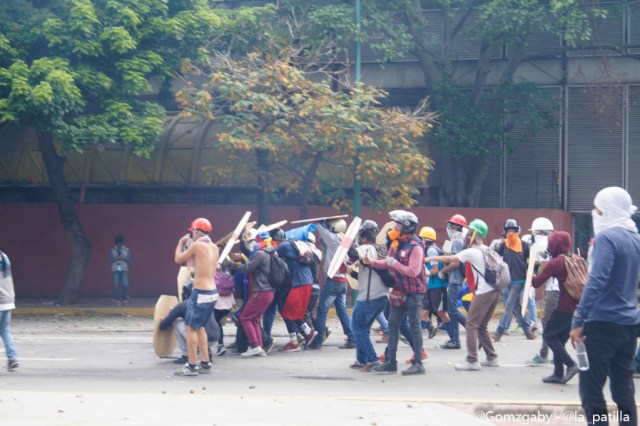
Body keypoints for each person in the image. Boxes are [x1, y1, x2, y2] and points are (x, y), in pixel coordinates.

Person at [570, 186, 640, 426]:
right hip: (629, 324)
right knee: (623, 389)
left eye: (598, 209)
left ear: (608, 210)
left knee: (591, 390)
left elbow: (597, 280)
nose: (595, 213)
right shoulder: (634, 237)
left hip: (600, 324)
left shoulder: (606, 238)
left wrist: (578, 319)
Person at [427, 219, 501, 371]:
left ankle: (472, 360)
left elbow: (451, 259)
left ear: (474, 234)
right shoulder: (487, 249)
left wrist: (431, 258)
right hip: (495, 290)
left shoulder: (472, 251)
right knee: (482, 326)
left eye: (469, 232)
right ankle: (492, 357)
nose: (466, 235)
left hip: (484, 291)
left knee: (471, 325)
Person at [366, 210, 427, 376]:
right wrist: (371, 263)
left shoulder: (416, 247)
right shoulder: (397, 243)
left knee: (414, 326)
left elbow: (413, 271)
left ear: (407, 227)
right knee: (393, 325)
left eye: (398, 225)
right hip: (399, 290)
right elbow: (387, 263)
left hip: (414, 292)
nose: (395, 227)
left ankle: (418, 363)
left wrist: (394, 263)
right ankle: (390, 362)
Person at [530, 231, 579, 384]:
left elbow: (537, 283)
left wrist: (530, 270)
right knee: (559, 340)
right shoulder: (575, 258)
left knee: (549, 335)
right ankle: (558, 374)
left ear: (555, 245)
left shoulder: (557, 263)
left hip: (565, 307)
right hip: (578, 306)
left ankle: (570, 365)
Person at [174, 217, 219, 376]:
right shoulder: (214, 247)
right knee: (200, 327)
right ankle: (205, 362)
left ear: (195, 231)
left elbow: (178, 259)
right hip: (212, 292)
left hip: (201, 292)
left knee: (190, 328)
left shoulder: (196, 246)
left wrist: (180, 242)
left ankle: (192, 365)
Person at [346, 220, 389, 371]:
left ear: (364, 237)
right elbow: (370, 275)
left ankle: (372, 359)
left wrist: (345, 240)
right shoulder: (380, 250)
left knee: (356, 327)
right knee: (362, 328)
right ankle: (361, 359)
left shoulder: (367, 248)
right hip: (381, 296)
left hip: (369, 297)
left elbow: (353, 252)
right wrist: (352, 272)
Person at [225, 231, 275, 357]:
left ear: (258, 241)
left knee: (244, 318)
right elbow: (249, 254)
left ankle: (254, 345)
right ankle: (259, 347)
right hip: (268, 292)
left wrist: (230, 264)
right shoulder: (270, 252)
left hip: (260, 292)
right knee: (255, 320)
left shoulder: (260, 254)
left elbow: (246, 268)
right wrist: (242, 241)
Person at [309, 218, 355, 350]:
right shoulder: (346, 240)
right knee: (342, 311)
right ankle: (352, 338)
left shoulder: (334, 240)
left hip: (333, 281)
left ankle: (317, 341)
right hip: (342, 281)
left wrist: (322, 221)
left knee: (322, 310)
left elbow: (321, 228)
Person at [491, 219, 537, 341]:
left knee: (509, 305)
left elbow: (533, 261)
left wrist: (532, 275)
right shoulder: (502, 245)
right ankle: (528, 331)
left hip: (519, 281)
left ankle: (499, 331)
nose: (510, 232)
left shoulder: (524, 245)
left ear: (517, 231)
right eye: (508, 230)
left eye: (513, 230)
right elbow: (494, 257)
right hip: (507, 280)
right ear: (505, 232)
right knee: (516, 308)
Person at [526, 217, 559, 367]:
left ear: (538, 232)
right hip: (557, 287)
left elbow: (546, 267)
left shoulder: (542, 244)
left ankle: (545, 354)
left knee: (547, 321)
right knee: (555, 322)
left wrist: (537, 280)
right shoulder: (552, 242)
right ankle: (555, 353)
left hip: (554, 288)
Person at [158, 296, 221, 365]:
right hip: (215, 337)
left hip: (200, 339)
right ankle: (205, 351)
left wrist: (164, 319)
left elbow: (163, 326)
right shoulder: (206, 303)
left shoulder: (182, 305)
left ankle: (186, 355)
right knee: (199, 325)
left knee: (176, 322)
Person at [439, 214, 468, 350]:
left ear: (459, 227)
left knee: (452, 310)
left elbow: (455, 263)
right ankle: (455, 341)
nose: (449, 227)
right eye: (450, 225)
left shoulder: (457, 241)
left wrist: (443, 271)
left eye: (452, 225)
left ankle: (471, 328)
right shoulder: (456, 240)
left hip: (455, 280)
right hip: (454, 279)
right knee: (452, 310)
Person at [419, 226, 450, 339]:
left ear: (426, 240)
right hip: (431, 285)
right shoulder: (433, 248)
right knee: (423, 312)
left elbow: (435, 270)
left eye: (421, 239)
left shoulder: (431, 251)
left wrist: (424, 273)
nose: (420, 241)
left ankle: (454, 337)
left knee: (441, 313)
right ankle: (418, 335)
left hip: (437, 286)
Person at [0, 250, 18, 371]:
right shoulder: (4, 256)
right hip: (8, 299)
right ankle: (12, 358)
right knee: (5, 330)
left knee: (5, 329)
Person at [109, 235, 131, 306]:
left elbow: (129, 259)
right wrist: (116, 258)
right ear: (115, 243)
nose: (119, 244)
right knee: (116, 285)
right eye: (118, 243)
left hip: (124, 269)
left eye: (120, 243)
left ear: (122, 243)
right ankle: (118, 299)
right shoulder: (112, 250)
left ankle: (125, 298)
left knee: (125, 284)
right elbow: (110, 260)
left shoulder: (127, 250)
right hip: (115, 269)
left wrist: (123, 258)